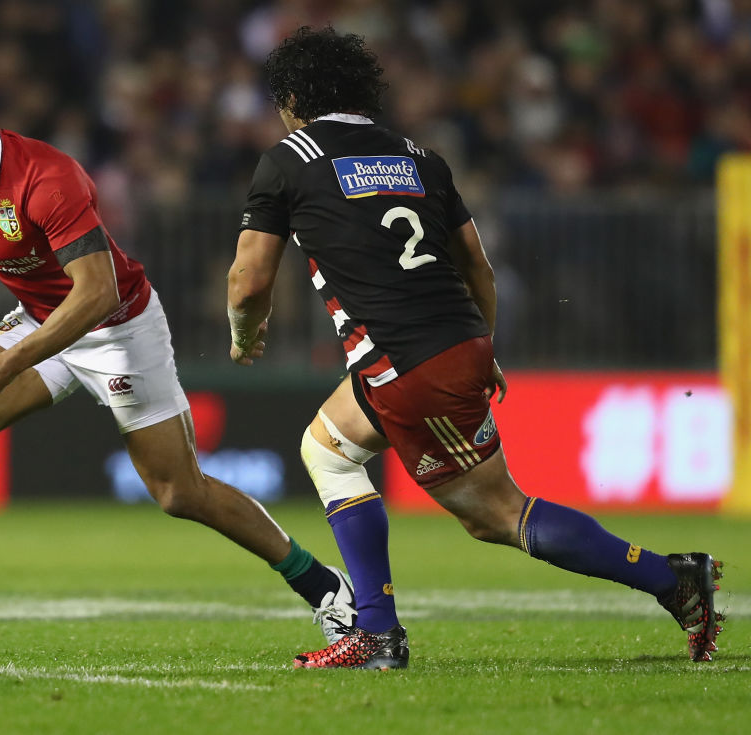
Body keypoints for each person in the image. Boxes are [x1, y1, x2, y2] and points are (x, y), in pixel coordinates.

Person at [226, 26, 724, 670]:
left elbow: (248, 279)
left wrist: (243, 333)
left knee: (497, 513)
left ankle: (674, 580)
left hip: (408, 361)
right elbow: (477, 268)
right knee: (327, 447)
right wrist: (481, 346)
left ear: (292, 96)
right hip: (441, 344)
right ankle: (375, 627)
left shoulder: (288, 159)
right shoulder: (417, 157)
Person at [0, 76, 357, 657]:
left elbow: (96, 294)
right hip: (40, 316)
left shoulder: (47, 178)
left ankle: (324, 586)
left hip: (118, 326)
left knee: (179, 492)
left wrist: (1, 367)